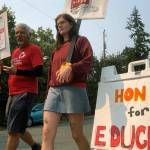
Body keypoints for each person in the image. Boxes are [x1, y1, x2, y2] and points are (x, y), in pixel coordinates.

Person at [41, 13, 93, 150]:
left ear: (71, 24)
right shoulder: (56, 50)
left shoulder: (81, 41)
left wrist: (71, 67)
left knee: (76, 134)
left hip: (74, 88)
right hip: (54, 90)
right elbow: (51, 74)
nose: (60, 25)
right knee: (46, 133)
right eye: (58, 24)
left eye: (63, 22)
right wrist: (47, 93)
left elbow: (88, 62)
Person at [3, 23, 43, 150]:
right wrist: (4, 68)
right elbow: (13, 70)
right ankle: (35, 146)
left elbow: (39, 72)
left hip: (26, 92)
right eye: (16, 33)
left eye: (22, 32)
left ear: (29, 35)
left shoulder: (34, 49)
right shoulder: (15, 52)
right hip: (12, 93)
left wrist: (17, 72)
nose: (18, 35)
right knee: (16, 127)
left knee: (13, 131)